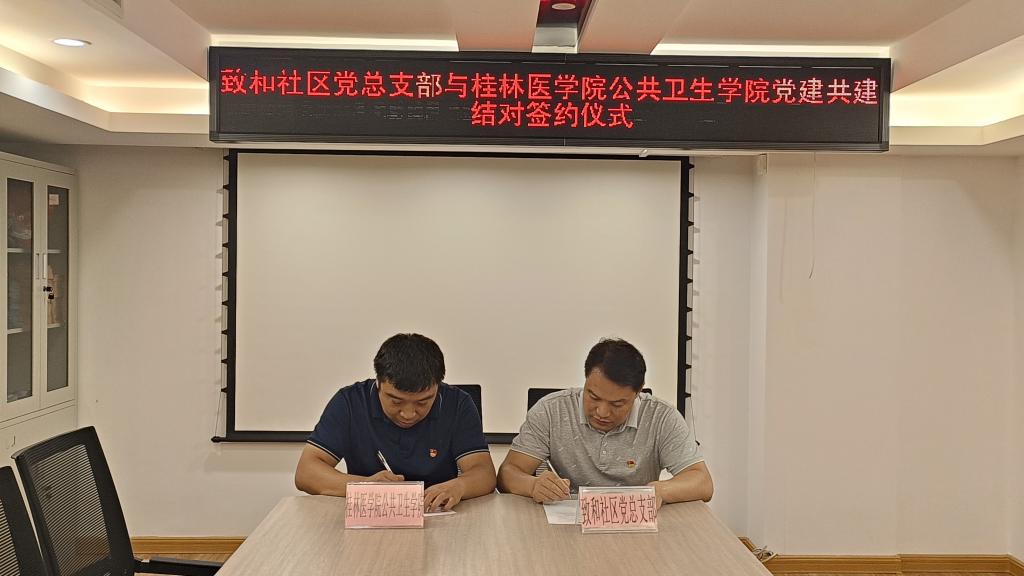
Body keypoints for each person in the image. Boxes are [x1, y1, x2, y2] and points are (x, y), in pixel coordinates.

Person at [497, 338, 712, 507]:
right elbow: (508, 473)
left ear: (638, 392)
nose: (602, 412)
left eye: (617, 404)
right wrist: (533, 485)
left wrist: (660, 491)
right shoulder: (551, 410)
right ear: (585, 380)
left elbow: (702, 482)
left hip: (634, 526)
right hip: (568, 524)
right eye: (593, 397)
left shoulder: (661, 417)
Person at [295, 333, 496, 510]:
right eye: (396, 401)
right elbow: (306, 473)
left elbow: (484, 473)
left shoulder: (457, 403)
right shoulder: (350, 402)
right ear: (378, 383)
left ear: (438, 386)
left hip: (440, 516)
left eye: (423, 402)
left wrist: (459, 486)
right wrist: (365, 486)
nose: (408, 414)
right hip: (373, 515)